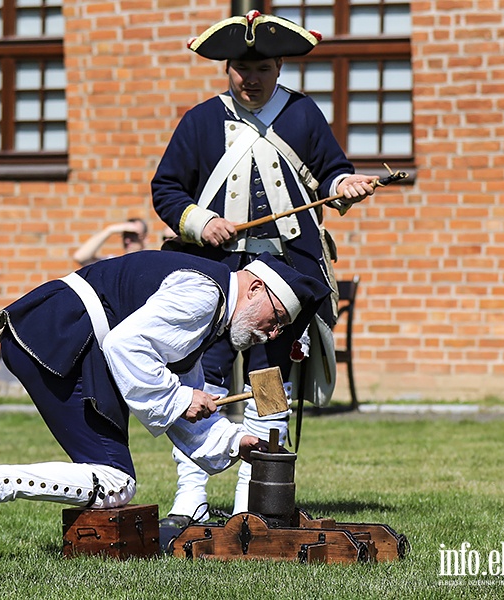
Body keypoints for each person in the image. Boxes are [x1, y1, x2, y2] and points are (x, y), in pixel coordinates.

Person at [0, 250, 330, 558]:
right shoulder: (204, 295)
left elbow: (181, 407)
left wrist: (235, 442)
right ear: (257, 287)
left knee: (114, 480)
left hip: (66, 335)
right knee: (114, 481)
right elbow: (126, 347)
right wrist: (179, 398)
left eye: (281, 327)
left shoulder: (212, 309)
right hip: (62, 335)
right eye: (276, 317)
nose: (273, 331)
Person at [151, 11, 379, 526]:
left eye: (262, 69)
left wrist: (342, 186)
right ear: (226, 68)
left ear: (279, 67)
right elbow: (166, 189)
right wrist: (201, 222)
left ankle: (255, 498)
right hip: (214, 270)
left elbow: (331, 173)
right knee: (199, 383)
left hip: (285, 273)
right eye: (240, 68)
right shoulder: (200, 120)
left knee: (269, 380)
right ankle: (191, 495)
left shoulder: (303, 115)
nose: (250, 79)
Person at [72, 218, 148, 266]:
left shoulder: (152, 263)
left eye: (133, 235)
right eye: (125, 235)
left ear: (145, 239)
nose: (127, 240)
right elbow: (80, 257)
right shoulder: (114, 263)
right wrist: (110, 230)